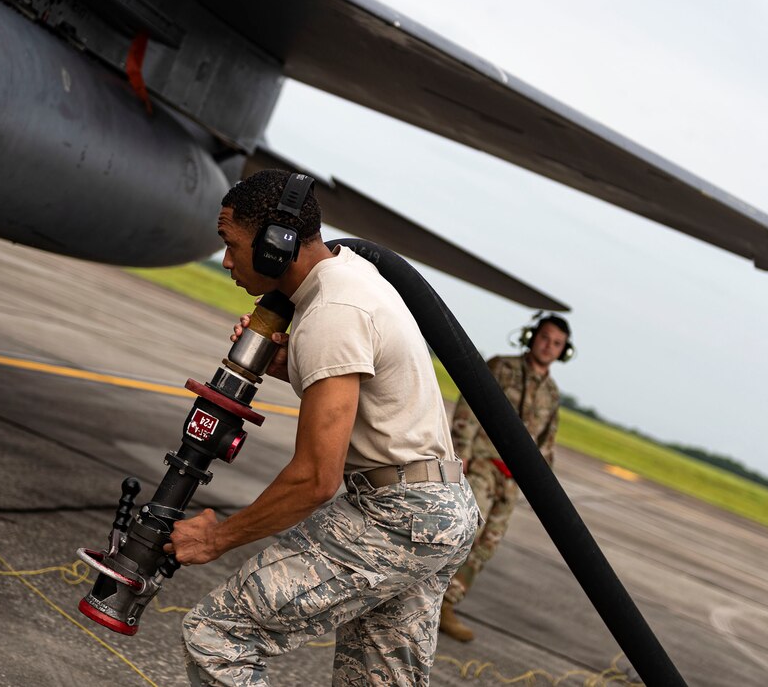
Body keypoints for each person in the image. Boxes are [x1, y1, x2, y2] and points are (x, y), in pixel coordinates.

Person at [165, 169, 479, 686]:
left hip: (398, 517)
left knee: (216, 636)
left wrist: (216, 538)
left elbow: (315, 478)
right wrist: (292, 362)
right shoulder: (345, 276)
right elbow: (361, 385)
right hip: (437, 507)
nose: (225, 261)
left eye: (231, 244)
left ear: (273, 247)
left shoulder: (333, 310)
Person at [438, 314, 571, 643]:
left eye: (556, 343)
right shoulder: (502, 367)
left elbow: (547, 443)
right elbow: (471, 404)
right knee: (465, 532)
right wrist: (462, 449)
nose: (548, 346)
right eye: (545, 338)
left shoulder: (552, 393)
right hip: (484, 462)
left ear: (563, 351)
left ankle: (447, 605)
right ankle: (419, 596)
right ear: (531, 336)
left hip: (514, 480)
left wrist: (544, 486)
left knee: (487, 545)